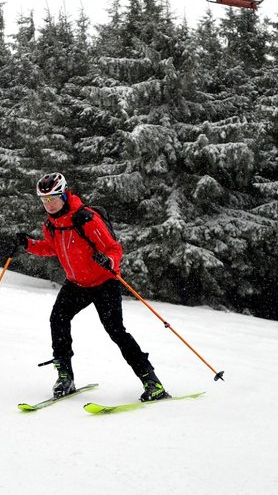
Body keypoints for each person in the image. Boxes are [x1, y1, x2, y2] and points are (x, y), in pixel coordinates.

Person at [9, 172, 170, 402]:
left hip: (104, 282)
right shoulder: (51, 225)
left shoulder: (86, 219)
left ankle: (151, 381)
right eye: (44, 200)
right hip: (77, 284)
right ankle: (65, 376)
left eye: (53, 199)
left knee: (116, 331)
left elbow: (113, 248)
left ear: (64, 195)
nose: (49, 204)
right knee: (58, 319)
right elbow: (51, 248)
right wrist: (28, 244)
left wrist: (109, 261)